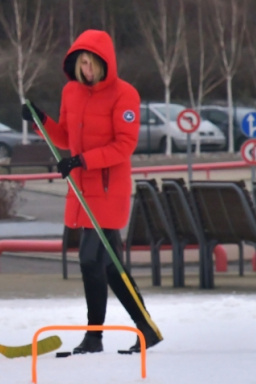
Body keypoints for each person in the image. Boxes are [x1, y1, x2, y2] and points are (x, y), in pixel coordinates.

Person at [22, 29, 162, 355]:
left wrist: (82, 160)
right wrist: (40, 120)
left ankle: (94, 336)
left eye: (92, 64)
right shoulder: (71, 92)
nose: (87, 70)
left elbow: (124, 146)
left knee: (90, 259)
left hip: (108, 190)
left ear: (105, 63)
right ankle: (145, 328)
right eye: (82, 63)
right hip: (82, 189)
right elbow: (64, 137)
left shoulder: (124, 95)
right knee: (109, 265)